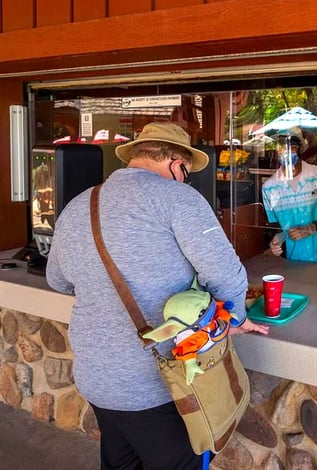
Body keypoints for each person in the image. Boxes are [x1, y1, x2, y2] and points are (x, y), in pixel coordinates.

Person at [46, 121, 269, 470]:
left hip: (97, 377)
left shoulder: (78, 206)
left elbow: (57, 280)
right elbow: (226, 275)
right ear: (176, 164)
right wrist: (236, 318)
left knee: (120, 463)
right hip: (160, 385)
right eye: (186, 173)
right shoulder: (178, 198)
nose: (185, 179)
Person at [262, 127, 317, 264]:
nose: (286, 150)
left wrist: (312, 227)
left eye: (292, 146)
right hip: (296, 258)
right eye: (281, 146)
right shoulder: (269, 187)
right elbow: (277, 224)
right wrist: (278, 239)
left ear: (300, 149)